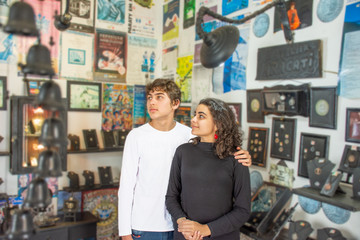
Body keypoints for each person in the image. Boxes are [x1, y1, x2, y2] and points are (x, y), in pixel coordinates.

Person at [118, 79, 252, 240]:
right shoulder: (136, 136)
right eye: (149, 97)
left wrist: (243, 155)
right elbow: (126, 188)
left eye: (159, 97)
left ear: (175, 103)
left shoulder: (189, 134)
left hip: (180, 227)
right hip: (146, 224)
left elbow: (217, 143)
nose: (152, 102)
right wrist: (125, 232)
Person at [166, 98, 251, 240]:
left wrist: (205, 229)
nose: (193, 120)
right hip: (185, 236)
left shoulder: (237, 158)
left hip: (223, 236)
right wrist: (183, 223)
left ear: (218, 123)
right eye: (195, 115)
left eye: (201, 116)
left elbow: (243, 211)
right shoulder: (183, 152)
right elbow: (171, 197)